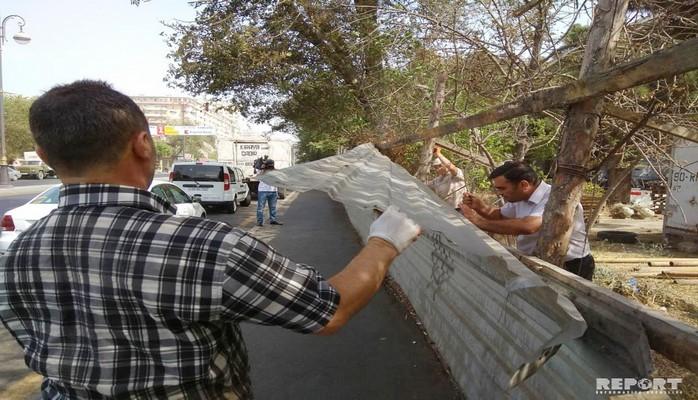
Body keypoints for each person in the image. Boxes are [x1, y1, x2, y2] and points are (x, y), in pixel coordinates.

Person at [0, 80, 421, 399]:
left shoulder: (17, 252)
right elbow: (328, 311)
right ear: (143, 144)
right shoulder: (204, 247)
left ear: (44, 156)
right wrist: (384, 241)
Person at [458, 161, 595, 280]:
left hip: (572, 265)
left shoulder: (554, 198)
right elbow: (500, 215)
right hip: (540, 261)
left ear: (524, 185)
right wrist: (480, 207)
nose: (499, 193)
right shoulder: (518, 196)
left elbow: (529, 226)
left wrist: (477, 221)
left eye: (502, 188)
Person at [256, 158, 282, 226]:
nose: (270, 166)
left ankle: (272, 220)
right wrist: (263, 166)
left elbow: (278, 180)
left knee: (273, 207)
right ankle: (260, 222)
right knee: (261, 207)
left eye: (271, 165)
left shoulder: (275, 172)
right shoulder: (261, 171)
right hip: (262, 191)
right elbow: (257, 172)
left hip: (273, 191)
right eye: (269, 165)